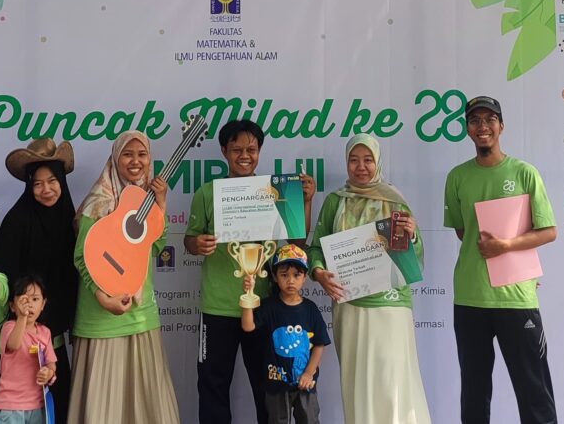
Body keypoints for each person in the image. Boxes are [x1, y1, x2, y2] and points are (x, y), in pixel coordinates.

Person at [184, 119, 316, 424]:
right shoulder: (207, 193)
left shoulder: (277, 191)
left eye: (251, 149)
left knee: (268, 386)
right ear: (224, 151)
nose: (245, 156)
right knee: (213, 385)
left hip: (264, 307)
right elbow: (190, 240)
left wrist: (306, 202)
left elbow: (297, 244)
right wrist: (197, 244)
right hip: (217, 307)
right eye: (237, 150)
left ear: (259, 151)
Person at [443, 96, 558, 424]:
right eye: (475, 120)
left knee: (534, 391)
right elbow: (464, 232)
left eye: (490, 119)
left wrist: (506, 246)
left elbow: (548, 231)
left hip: (516, 297)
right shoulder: (457, 177)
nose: (483, 127)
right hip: (470, 298)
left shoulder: (524, 173)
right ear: (468, 129)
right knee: (474, 392)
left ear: (501, 126)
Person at [307, 133, 431, 424]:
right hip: (349, 306)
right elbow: (316, 249)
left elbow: (415, 259)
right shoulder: (335, 201)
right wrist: (319, 273)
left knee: (393, 382)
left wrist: (412, 235)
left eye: (367, 160)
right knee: (357, 383)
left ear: (378, 162)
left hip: (391, 306)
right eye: (354, 160)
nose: (361, 167)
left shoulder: (395, 201)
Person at [67, 130, 179, 424]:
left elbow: (156, 246)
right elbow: (82, 257)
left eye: (142, 155)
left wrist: (161, 203)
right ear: (115, 159)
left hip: (140, 314)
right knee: (104, 406)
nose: (135, 161)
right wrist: (103, 297)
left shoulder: (147, 202)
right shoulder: (97, 203)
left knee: (145, 402)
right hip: (100, 317)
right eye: (127, 154)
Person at [0, 138, 79, 424]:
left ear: (62, 182)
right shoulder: (18, 219)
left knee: (53, 407)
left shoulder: (69, 220)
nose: (46, 189)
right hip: (12, 335)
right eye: (37, 184)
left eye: (52, 181)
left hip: (49, 333)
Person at [241, 244, 330, 424]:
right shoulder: (268, 306)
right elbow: (248, 326)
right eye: (284, 275)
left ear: (305, 277)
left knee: (309, 419)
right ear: (274, 277)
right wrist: (248, 296)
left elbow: (319, 344)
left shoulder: (310, 309)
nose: (290, 281)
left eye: (296, 275)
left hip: (305, 383)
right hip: (275, 383)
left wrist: (309, 373)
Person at [0, 275, 56, 424]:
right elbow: (14, 344)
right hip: (10, 406)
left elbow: (51, 363)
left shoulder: (45, 332)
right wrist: (22, 317)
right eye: (24, 300)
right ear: (12, 306)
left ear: (43, 304)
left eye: (35, 299)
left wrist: (48, 373)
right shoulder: (9, 327)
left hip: (38, 405)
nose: (30, 305)